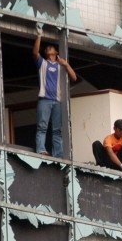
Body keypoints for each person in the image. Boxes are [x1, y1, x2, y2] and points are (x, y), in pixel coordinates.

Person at [33, 26, 77, 157]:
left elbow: (74, 77)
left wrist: (66, 64)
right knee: (42, 127)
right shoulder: (43, 64)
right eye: (46, 48)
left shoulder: (60, 65)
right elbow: (35, 53)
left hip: (57, 101)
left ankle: (58, 154)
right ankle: (41, 149)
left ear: (56, 51)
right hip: (45, 99)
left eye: (51, 47)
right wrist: (39, 35)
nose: (48, 48)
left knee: (57, 130)